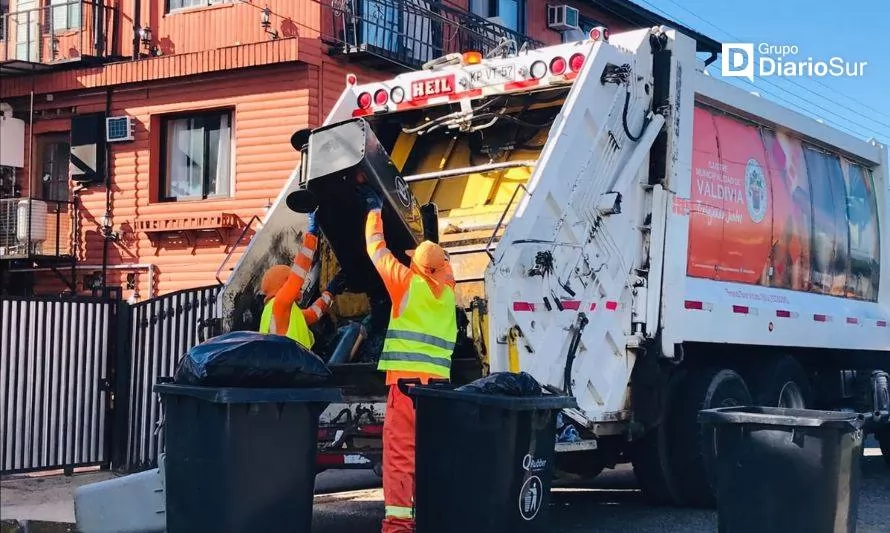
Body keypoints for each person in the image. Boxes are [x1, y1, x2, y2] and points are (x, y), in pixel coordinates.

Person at [360, 185, 457, 533]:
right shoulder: (447, 295)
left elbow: (377, 251)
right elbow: (437, 269)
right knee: (432, 456)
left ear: (415, 266)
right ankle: (432, 517)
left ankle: (398, 527)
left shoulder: (407, 284)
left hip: (406, 390)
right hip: (439, 393)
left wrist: (374, 210)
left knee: (400, 457)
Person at [259, 209, 347, 347]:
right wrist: (311, 235)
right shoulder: (279, 304)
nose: (299, 286)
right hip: (289, 367)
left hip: (295, 367)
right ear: (282, 285)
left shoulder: (285, 312)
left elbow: (313, 313)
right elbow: (298, 274)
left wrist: (330, 292)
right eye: (289, 280)